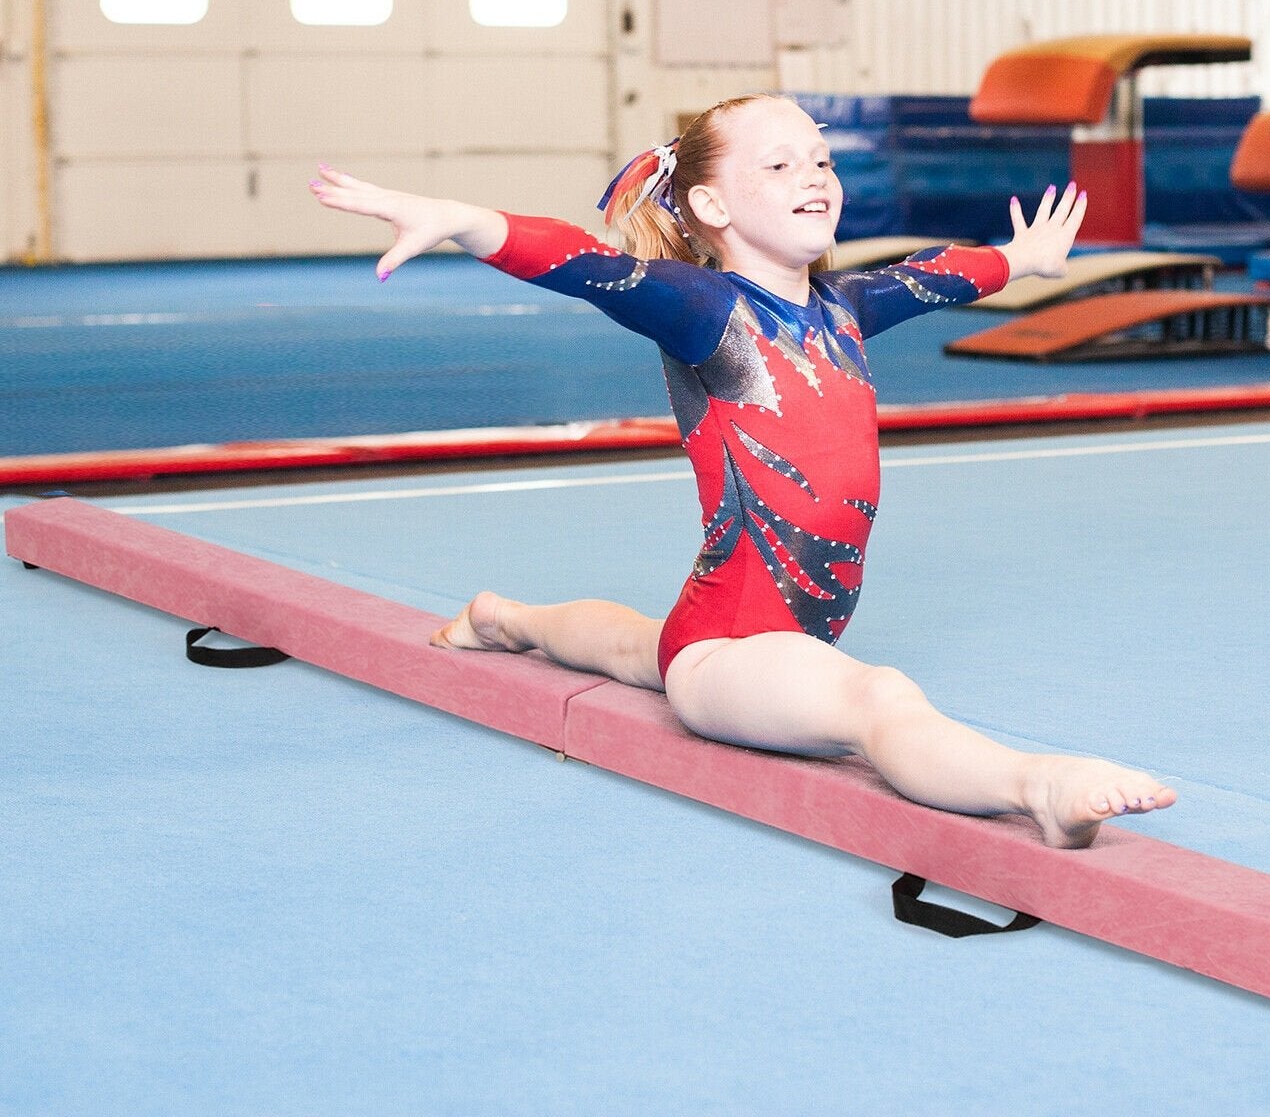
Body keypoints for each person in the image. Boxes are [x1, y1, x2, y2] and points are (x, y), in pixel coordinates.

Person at [310, 94, 1175, 849]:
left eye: (823, 158)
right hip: (735, 653)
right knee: (877, 700)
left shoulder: (841, 307)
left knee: (627, 644)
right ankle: (1039, 788)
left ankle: (505, 619)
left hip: (719, 619)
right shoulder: (705, 310)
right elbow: (586, 266)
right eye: (782, 161)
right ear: (710, 204)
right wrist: (465, 219)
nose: (815, 175)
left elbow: (934, 277)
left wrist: (1021, 261)